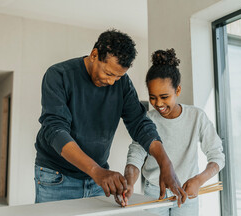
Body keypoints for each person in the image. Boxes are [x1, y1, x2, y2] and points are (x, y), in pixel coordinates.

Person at [34, 30, 187, 207]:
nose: (112, 82)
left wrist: (165, 162)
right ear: (94, 55)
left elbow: (139, 123)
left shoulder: (122, 84)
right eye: (108, 73)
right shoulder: (59, 75)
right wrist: (96, 171)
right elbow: (55, 130)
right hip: (57, 176)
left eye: (118, 76)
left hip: (98, 179)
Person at [124, 48, 225, 215]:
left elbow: (217, 156)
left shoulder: (197, 116)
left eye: (164, 97)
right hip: (154, 192)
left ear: (177, 91)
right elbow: (136, 154)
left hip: (187, 191)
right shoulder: (147, 119)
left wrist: (199, 180)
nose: (158, 103)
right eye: (152, 97)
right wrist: (129, 181)